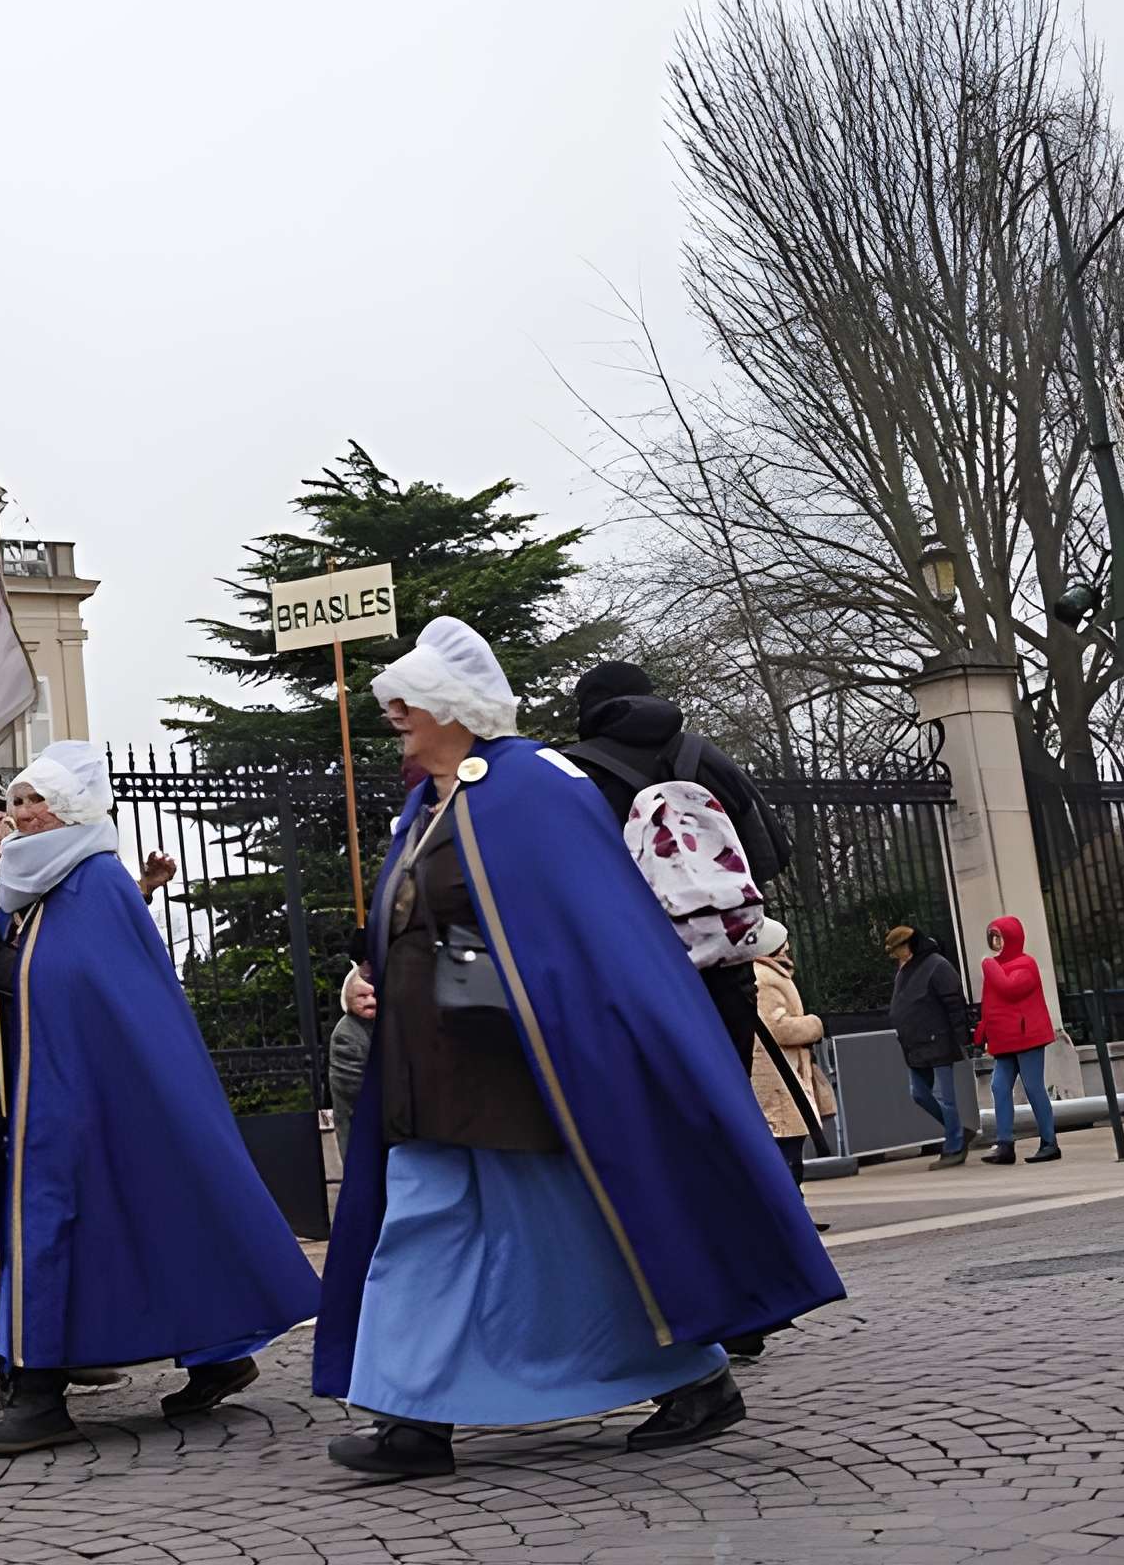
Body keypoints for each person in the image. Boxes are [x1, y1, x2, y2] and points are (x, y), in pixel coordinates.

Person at [318, 619, 841, 1481]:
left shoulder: (531, 788)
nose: (396, 716)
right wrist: (365, 982)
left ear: (454, 707)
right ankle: (414, 1414)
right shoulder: (426, 803)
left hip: (527, 1068)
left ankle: (695, 1375)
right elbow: (418, 925)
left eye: (407, 701)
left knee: (571, 1232)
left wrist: (511, 1001)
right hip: (435, 1063)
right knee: (421, 1227)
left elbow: (585, 928)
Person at [0, 740, 321, 1459]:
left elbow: (96, 988)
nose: (18, 813)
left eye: (34, 800)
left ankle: (39, 1396)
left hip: (80, 1101)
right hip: (58, 1092)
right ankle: (214, 1355)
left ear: (68, 809)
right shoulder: (44, 885)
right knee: (128, 1226)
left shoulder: (94, 880)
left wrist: (20, 972)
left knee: (68, 1225)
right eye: (15, 801)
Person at [563, 660, 793, 1073]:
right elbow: (772, 853)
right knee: (729, 1108)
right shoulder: (704, 757)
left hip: (632, 976)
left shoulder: (574, 774)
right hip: (726, 971)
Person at [746, 921, 832, 1185]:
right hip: (779, 1076)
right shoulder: (767, 978)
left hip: (783, 1072)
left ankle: (797, 1207)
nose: (789, 949)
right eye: (785, 943)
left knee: (790, 1146)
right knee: (787, 1147)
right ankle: (794, 1208)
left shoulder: (768, 975)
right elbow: (777, 1028)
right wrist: (814, 1025)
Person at [973, 916, 1060, 1165]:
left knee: (1033, 1087)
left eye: (1000, 937)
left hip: (1026, 1037)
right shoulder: (997, 965)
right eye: (993, 938)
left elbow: (1009, 989)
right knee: (999, 1087)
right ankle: (1005, 1144)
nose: (996, 942)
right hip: (1005, 1040)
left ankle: (1049, 1142)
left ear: (1012, 938)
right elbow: (994, 1004)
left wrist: (989, 966)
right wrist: (984, 1030)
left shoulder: (1025, 964)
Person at [884, 925, 971, 1169]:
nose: (895, 955)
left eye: (897, 949)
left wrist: (962, 1036)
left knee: (946, 1098)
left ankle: (954, 1145)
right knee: (919, 1094)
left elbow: (954, 1002)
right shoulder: (906, 968)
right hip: (915, 1043)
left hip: (938, 1040)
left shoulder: (936, 965)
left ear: (909, 944)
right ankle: (958, 1131)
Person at [329, 965, 376, 1167]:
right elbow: (354, 1088)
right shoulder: (346, 1035)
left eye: (373, 994)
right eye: (361, 996)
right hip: (361, 1132)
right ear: (348, 1000)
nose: (369, 1001)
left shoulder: (380, 1024)